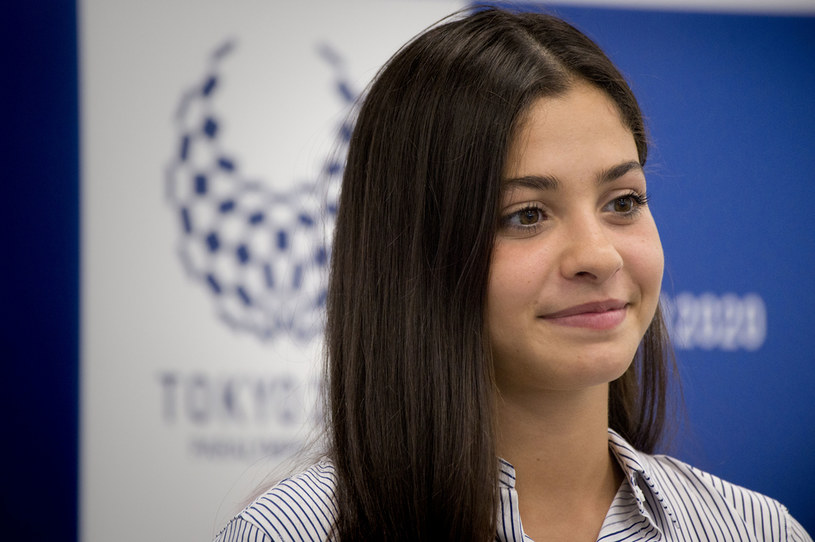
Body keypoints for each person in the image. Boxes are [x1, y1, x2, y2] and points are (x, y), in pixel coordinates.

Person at [213, 7, 811, 542]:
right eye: (527, 215)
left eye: (623, 201)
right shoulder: (288, 533)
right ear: (415, 254)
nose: (599, 256)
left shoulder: (755, 528)